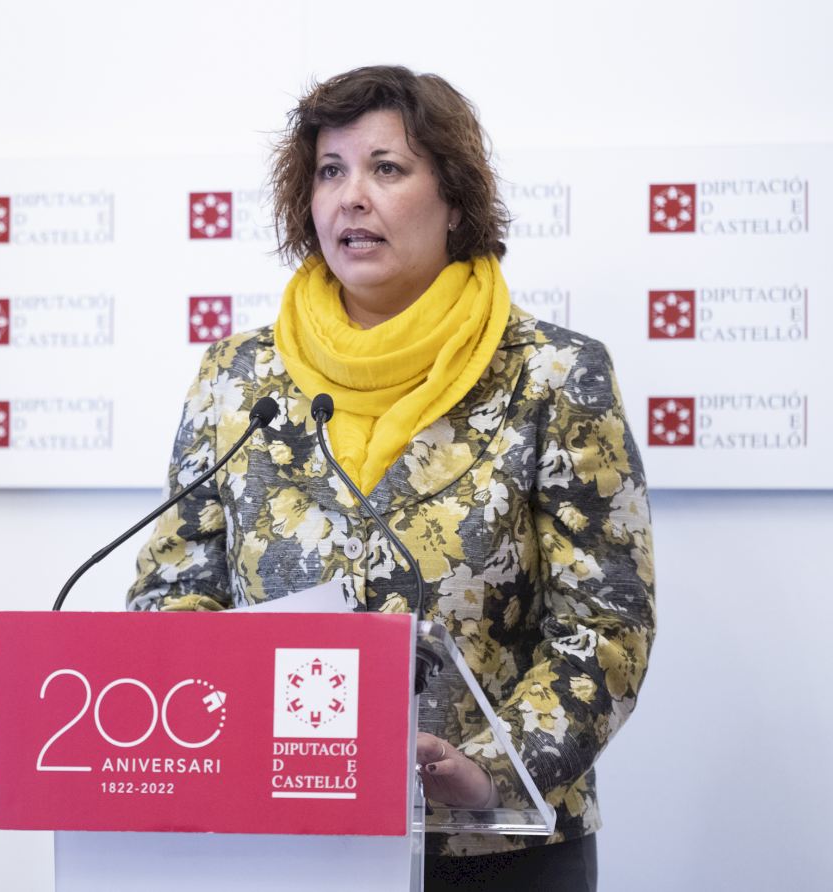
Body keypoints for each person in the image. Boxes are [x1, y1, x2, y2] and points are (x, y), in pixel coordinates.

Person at [128, 65, 654, 891]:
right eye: (330, 171)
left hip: (497, 853)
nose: (352, 197)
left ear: (455, 201)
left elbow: (605, 623)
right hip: (280, 839)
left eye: (387, 168)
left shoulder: (553, 376)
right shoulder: (238, 378)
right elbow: (173, 594)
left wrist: (490, 770)